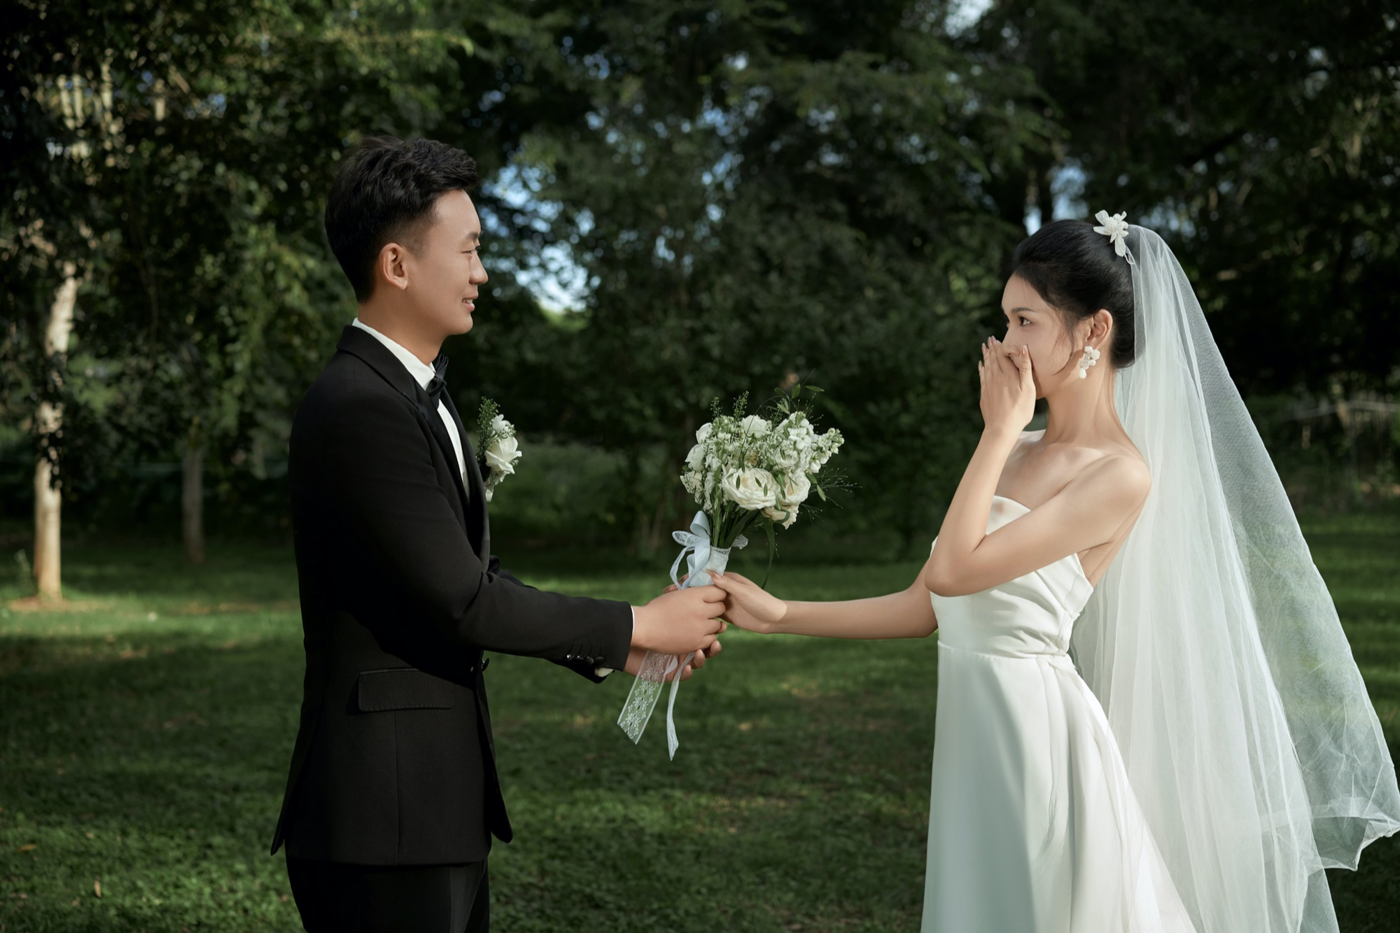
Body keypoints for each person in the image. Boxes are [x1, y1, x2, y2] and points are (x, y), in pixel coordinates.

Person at [712, 215, 1400, 932]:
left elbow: (952, 572)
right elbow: (925, 605)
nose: (1005, 344)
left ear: (1094, 330)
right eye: (1005, 320)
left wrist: (996, 431)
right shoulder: (1014, 449)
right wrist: (782, 614)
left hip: (1036, 745)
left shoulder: (1117, 474)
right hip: (975, 740)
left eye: (1025, 321)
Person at [270, 136, 727, 933]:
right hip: (384, 815)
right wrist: (640, 623)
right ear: (397, 264)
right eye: (469, 249)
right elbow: (465, 601)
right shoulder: (359, 407)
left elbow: (465, 576)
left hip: (430, 807)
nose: (482, 272)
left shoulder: (419, 394)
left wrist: (616, 648)